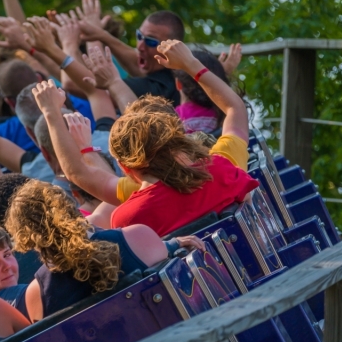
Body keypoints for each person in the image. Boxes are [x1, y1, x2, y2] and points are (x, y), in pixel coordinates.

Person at [108, 39, 260, 236]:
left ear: (125, 166)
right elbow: (235, 108)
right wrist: (190, 64)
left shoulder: (125, 219)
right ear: (175, 141)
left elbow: (83, 175)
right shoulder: (220, 170)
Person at [4, 180, 204, 321]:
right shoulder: (138, 237)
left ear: (25, 238)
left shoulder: (34, 296)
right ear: (70, 206)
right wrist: (173, 243)